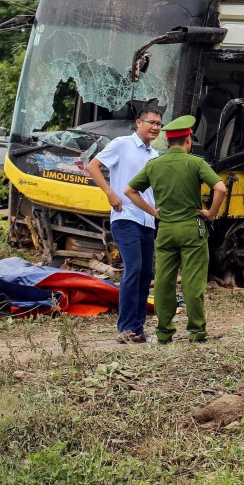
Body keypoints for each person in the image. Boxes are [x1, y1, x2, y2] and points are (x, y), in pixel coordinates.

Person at [124, 115, 227, 344]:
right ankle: (197, 332)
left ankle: (164, 332)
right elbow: (220, 188)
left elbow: (129, 191)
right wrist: (211, 213)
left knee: (163, 281)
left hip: (166, 230)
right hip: (192, 229)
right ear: (188, 139)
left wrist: (152, 212)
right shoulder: (196, 163)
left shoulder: (154, 165)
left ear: (168, 142)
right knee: (193, 282)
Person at [85, 103, 163, 343]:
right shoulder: (121, 144)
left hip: (147, 219)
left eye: (159, 124)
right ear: (138, 123)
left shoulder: (155, 155)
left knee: (145, 274)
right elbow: (93, 166)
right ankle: (126, 327)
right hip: (124, 216)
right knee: (134, 268)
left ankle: (138, 329)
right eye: (151, 122)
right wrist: (109, 192)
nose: (155, 127)